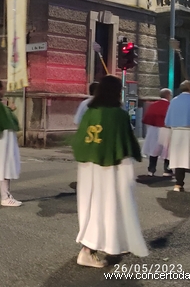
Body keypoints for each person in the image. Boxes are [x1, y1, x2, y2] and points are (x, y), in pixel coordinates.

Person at [72, 75, 147, 268]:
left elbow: (79, 137)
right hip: (112, 168)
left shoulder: (90, 111)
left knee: (92, 207)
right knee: (110, 206)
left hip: (89, 168)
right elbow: (126, 141)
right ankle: (88, 250)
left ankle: (111, 242)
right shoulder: (118, 114)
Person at [141, 88, 172, 177]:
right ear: (168, 95)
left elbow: (147, 118)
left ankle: (151, 169)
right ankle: (167, 170)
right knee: (167, 150)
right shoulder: (170, 105)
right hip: (166, 130)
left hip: (153, 129)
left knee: (153, 150)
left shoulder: (153, 105)